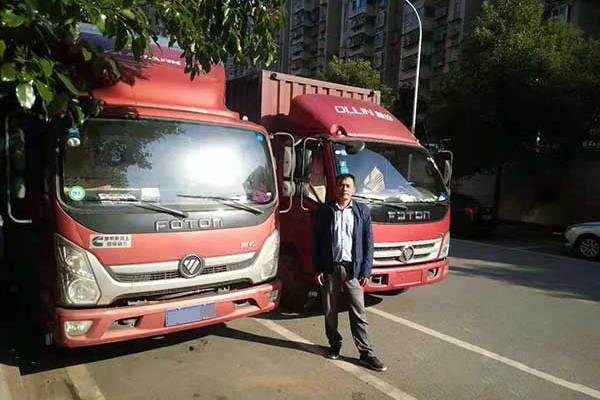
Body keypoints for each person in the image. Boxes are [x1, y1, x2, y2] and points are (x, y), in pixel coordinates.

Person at [312, 173, 387, 372]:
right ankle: (334, 344)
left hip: (353, 269)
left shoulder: (362, 211)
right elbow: (317, 241)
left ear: (353, 189)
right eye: (341, 185)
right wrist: (317, 268)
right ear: (336, 188)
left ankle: (366, 353)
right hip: (330, 268)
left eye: (348, 186)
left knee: (358, 312)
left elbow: (369, 243)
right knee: (330, 311)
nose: (344, 189)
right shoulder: (326, 210)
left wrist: (366, 271)